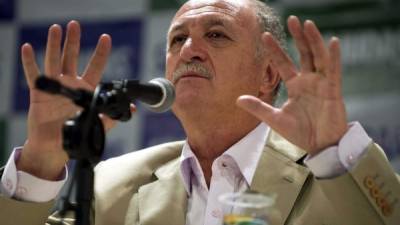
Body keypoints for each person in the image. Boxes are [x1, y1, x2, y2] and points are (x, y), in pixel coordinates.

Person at [0, 0, 399, 224]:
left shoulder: (331, 175)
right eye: (177, 40)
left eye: (215, 34)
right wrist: (40, 162)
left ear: (268, 74)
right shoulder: (112, 186)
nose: (188, 50)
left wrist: (333, 150)